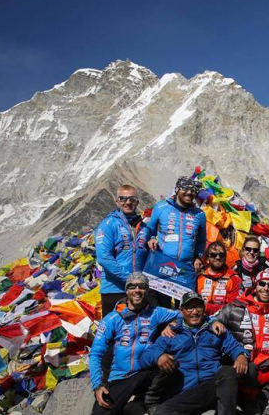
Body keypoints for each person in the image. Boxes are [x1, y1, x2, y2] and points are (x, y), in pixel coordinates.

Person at [139, 291, 250, 415]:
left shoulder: (215, 329)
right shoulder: (171, 333)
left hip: (212, 388)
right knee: (162, 412)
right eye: (190, 308)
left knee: (227, 372)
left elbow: (235, 347)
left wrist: (241, 355)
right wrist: (159, 356)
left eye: (198, 307)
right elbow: (144, 358)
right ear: (181, 310)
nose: (195, 312)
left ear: (204, 309)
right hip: (186, 393)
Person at [89, 272, 180, 415]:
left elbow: (186, 315)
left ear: (147, 290)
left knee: (170, 362)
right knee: (100, 413)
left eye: (142, 286)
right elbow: (95, 353)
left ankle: (149, 400)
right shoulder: (112, 318)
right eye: (132, 287)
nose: (137, 290)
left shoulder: (155, 312)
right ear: (126, 291)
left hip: (144, 373)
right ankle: (133, 406)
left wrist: (173, 324)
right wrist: (97, 386)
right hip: (120, 377)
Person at [215, 270, 269, 415]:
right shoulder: (235, 307)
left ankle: (265, 399)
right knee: (247, 369)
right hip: (245, 364)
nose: (266, 288)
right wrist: (214, 322)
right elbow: (211, 320)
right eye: (262, 284)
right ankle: (248, 401)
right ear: (255, 286)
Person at [138, 176, 207, 308]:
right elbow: (149, 229)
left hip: (185, 269)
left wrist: (199, 257)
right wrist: (151, 238)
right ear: (177, 190)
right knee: (161, 307)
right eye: (185, 189)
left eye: (193, 190)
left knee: (185, 308)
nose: (189, 192)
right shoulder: (161, 207)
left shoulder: (199, 214)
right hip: (163, 266)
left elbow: (202, 240)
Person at [95, 185, 145, 316]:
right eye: (123, 199)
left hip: (139, 290)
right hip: (114, 290)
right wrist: (129, 279)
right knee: (114, 326)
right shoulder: (108, 224)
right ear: (117, 201)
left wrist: (153, 240)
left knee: (137, 326)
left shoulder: (143, 226)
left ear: (137, 202)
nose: (128, 202)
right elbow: (104, 258)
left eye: (132, 199)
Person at [197, 241, 242, 314]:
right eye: (213, 255)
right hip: (201, 317)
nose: (218, 257)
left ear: (225, 257)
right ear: (207, 259)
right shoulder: (198, 277)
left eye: (221, 255)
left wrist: (207, 307)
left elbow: (233, 308)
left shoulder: (234, 279)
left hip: (224, 318)